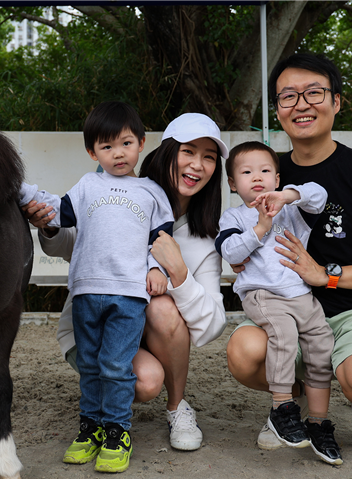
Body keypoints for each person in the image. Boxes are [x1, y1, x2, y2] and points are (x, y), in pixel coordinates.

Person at [226, 53, 352, 452]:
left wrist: (327, 274)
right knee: (244, 352)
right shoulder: (264, 171)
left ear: (336, 102)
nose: (301, 104)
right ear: (278, 111)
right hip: (287, 307)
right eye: (288, 97)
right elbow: (235, 232)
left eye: (314, 93)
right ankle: (293, 403)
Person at [23, 112, 229, 454]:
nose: (198, 165)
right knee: (141, 380)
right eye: (189, 152)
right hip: (92, 319)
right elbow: (65, 242)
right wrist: (48, 225)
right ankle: (96, 417)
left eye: (209, 157)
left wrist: (177, 273)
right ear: (165, 152)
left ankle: (178, 408)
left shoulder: (205, 237)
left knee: (160, 314)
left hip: (140, 323)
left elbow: (212, 327)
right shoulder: (111, 189)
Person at [20, 101, 174, 473]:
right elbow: (57, 211)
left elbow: (162, 239)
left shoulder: (152, 192)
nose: (117, 153)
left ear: (141, 142)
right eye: (106, 147)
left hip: (130, 296)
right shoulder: (87, 185)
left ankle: (117, 431)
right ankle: (89, 428)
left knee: (116, 364)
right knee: (90, 364)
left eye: (125, 143)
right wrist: (22, 192)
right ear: (92, 152)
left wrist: (157, 269)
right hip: (87, 291)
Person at [216, 141, 341, 465]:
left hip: (301, 294)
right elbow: (229, 252)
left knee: (321, 343)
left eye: (265, 170)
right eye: (246, 172)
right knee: (283, 334)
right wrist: (260, 228)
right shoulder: (235, 216)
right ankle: (282, 407)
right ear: (232, 183)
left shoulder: (292, 210)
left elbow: (320, 195)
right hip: (263, 294)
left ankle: (317, 421)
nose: (256, 177)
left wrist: (287, 196)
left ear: (277, 177)